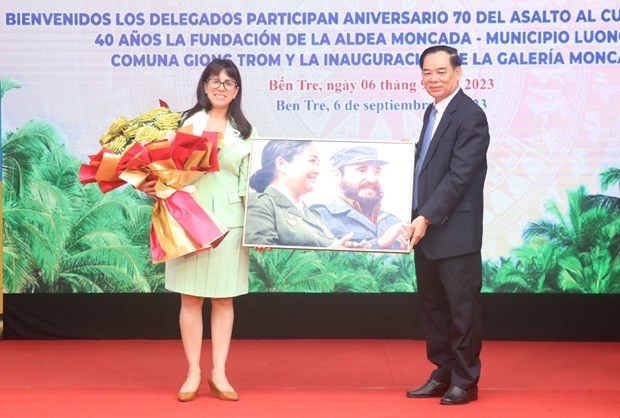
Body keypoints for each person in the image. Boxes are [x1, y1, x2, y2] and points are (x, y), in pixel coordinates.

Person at [139, 58, 255, 402]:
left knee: (223, 299)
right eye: (214, 81)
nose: (221, 87)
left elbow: (248, 185)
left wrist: (258, 229)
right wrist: (146, 184)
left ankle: (220, 373)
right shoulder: (184, 125)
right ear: (204, 86)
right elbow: (159, 169)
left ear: (237, 91)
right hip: (186, 221)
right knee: (190, 299)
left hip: (231, 225)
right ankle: (193, 372)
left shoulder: (247, 132)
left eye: (228, 83)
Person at [405, 45, 490, 405]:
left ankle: (465, 381)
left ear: (458, 73)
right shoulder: (432, 111)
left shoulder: (470, 115)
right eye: (427, 72)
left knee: (461, 309)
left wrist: (424, 216)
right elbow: (425, 170)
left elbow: (459, 176)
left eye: (441, 71)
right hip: (426, 230)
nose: (433, 79)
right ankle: (443, 372)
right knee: (434, 307)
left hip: (453, 232)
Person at [245, 140, 357, 249]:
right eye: (312, 161)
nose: (318, 170)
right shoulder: (261, 204)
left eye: (318, 164)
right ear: (282, 164)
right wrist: (328, 254)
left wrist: (345, 252)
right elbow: (262, 260)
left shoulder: (315, 216)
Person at [310, 146, 410, 251]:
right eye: (361, 170)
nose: (372, 179)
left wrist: (405, 253)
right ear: (337, 175)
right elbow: (308, 262)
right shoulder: (319, 216)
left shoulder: (393, 222)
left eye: (377, 172)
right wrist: (379, 243)